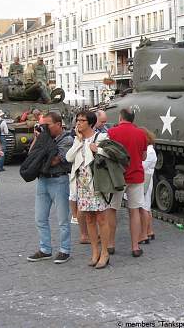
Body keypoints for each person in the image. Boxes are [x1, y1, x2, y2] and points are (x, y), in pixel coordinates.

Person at [27, 112, 73, 264]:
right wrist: (38, 138)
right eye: (43, 125)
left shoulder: (66, 139)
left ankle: (65, 249)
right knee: (40, 218)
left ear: (59, 124)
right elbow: (31, 155)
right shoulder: (45, 137)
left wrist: (43, 144)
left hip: (59, 180)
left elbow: (54, 161)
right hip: (43, 180)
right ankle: (45, 249)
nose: (44, 129)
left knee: (62, 219)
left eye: (47, 125)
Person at [66, 111, 110, 269]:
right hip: (82, 185)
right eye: (77, 120)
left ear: (90, 123)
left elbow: (111, 154)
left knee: (101, 219)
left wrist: (97, 150)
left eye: (82, 120)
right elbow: (69, 158)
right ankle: (94, 251)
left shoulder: (101, 137)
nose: (78, 123)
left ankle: (105, 252)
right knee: (89, 219)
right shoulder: (78, 139)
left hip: (97, 184)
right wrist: (78, 141)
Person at [106, 108, 147, 257]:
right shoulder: (141, 133)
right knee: (134, 211)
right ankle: (135, 247)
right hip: (136, 176)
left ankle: (110, 244)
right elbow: (143, 156)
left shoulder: (112, 133)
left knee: (112, 209)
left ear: (120, 117)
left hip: (117, 177)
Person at [139, 128, 157, 244]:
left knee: (144, 208)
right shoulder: (149, 150)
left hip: (145, 179)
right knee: (147, 206)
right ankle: (149, 231)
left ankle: (144, 234)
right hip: (146, 178)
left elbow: (142, 166)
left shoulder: (149, 151)